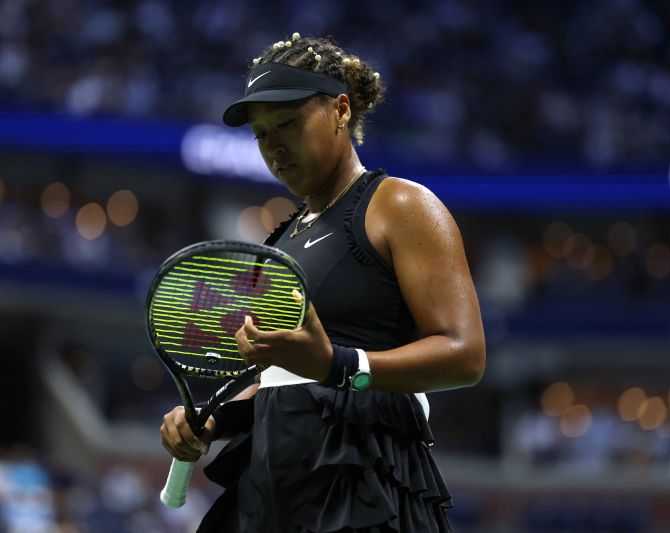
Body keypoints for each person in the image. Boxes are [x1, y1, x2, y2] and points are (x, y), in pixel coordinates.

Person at [160, 33, 485, 533]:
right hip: (272, 487)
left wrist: (340, 365)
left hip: (367, 486)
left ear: (340, 110)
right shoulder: (280, 241)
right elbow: (277, 378)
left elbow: (465, 354)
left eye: (288, 124)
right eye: (263, 135)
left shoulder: (400, 205)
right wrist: (214, 420)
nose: (274, 147)